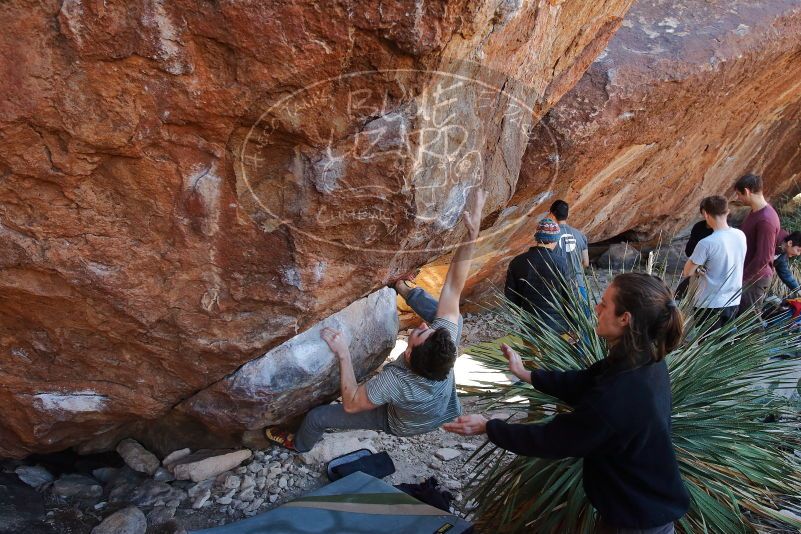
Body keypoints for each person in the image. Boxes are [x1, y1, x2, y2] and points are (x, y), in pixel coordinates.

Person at [444, 273, 690, 533]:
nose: (596, 308)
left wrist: (488, 426)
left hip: (635, 520)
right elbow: (584, 382)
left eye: (604, 304)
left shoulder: (615, 398)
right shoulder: (644, 359)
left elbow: (552, 439)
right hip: (644, 507)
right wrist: (527, 374)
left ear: (625, 319)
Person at [265, 189, 487, 452]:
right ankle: (403, 288)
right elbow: (452, 288)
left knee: (318, 418)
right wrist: (472, 234)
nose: (424, 326)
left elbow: (350, 403)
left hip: (402, 422)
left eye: (420, 333)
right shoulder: (442, 345)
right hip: (442, 407)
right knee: (452, 319)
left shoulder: (395, 382)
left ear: (408, 352)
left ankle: (298, 444)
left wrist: (344, 353)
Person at [681, 196, 746, 331]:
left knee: (707, 346)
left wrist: (697, 269)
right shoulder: (740, 235)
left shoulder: (706, 243)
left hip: (709, 303)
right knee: (726, 344)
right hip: (733, 299)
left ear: (705, 214)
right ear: (727, 212)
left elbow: (687, 272)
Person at [504, 217, 571, 334]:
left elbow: (510, 296)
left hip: (530, 326)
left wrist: (522, 315)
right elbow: (569, 297)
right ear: (554, 240)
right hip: (557, 327)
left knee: (531, 352)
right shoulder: (561, 263)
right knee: (552, 353)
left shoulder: (517, 262)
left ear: (537, 239)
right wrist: (573, 324)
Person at [735, 173, 780, 314]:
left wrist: (743, 279)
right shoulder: (756, 212)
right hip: (750, 277)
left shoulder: (765, 220)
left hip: (755, 280)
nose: (738, 198)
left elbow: (764, 257)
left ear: (747, 191)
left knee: (748, 324)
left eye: (739, 194)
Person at [548, 200, 590, 310]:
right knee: (581, 323)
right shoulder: (580, 235)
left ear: (552, 214)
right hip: (577, 284)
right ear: (568, 215)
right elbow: (586, 263)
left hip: (557, 287)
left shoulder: (550, 236)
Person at [674, 220, 713, 301]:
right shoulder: (699, 226)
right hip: (697, 267)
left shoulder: (721, 234)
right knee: (679, 296)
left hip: (708, 272)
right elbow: (689, 251)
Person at [773, 230, 801, 295]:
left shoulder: (783, 254)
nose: (798, 254)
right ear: (790, 243)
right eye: (798, 250)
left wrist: (798, 290)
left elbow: (785, 274)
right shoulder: (773, 239)